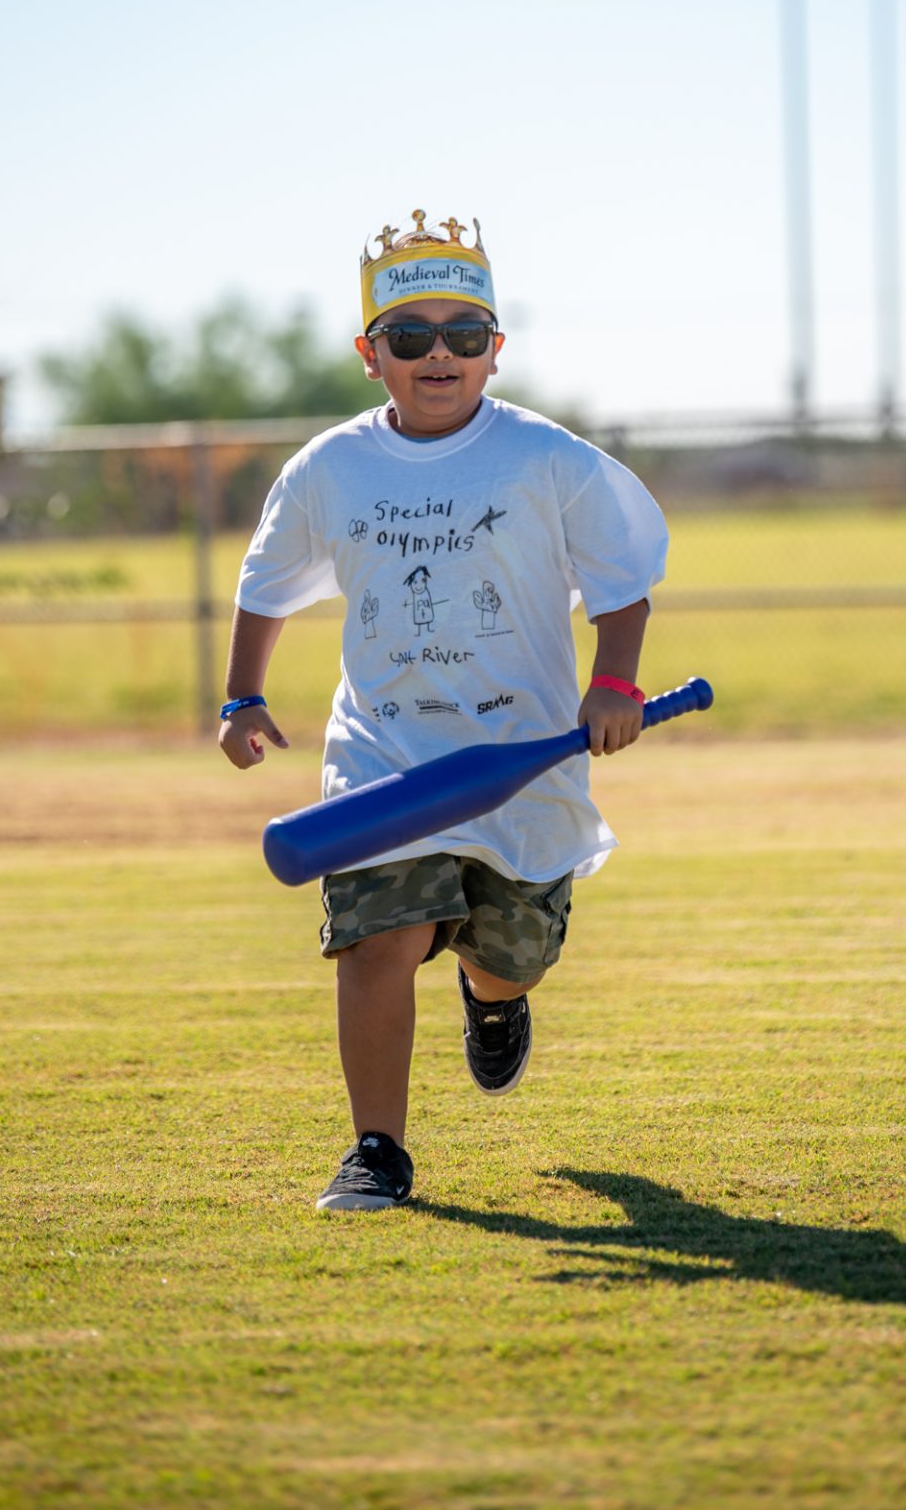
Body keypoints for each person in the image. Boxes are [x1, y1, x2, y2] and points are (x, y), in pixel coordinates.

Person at [218, 211, 668, 1212]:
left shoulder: (547, 459)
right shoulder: (331, 468)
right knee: (375, 939)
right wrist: (244, 694)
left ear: (495, 351)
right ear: (368, 353)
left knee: (512, 951)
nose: (438, 355)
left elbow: (621, 576)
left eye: (463, 335)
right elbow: (266, 582)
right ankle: (376, 1148)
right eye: (409, 335)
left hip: (522, 759)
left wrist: (617, 680)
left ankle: (491, 998)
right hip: (385, 758)